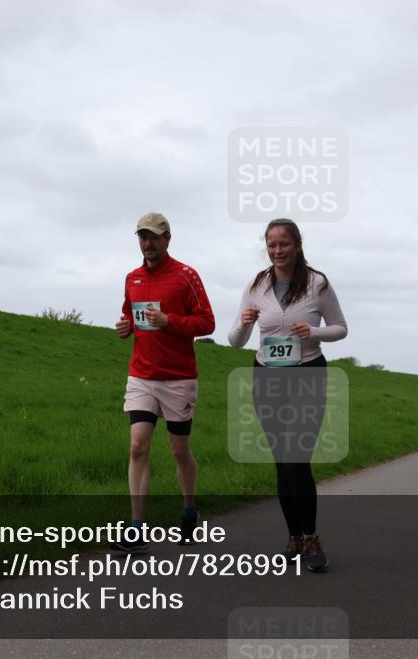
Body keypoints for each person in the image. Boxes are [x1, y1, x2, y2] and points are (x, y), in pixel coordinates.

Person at [228, 218, 348, 572]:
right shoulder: (256, 284)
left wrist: (313, 331)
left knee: (297, 458)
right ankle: (294, 537)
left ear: (297, 244)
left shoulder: (317, 283)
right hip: (267, 378)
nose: (277, 250)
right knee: (282, 462)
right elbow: (235, 342)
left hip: (307, 375)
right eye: (271, 244)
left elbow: (341, 328)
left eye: (284, 244)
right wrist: (245, 323)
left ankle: (311, 538)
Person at [112, 212, 215, 553]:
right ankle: (136, 527)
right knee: (137, 446)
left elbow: (207, 323)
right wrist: (127, 326)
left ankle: (189, 509)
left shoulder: (186, 276)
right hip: (141, 374)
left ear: (168, 238)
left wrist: (170, 321)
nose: (148, 243)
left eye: (154, 237)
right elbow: (131, 314)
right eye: (143, 237)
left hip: (178, 378)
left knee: (179, 450)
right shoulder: (132, 278)